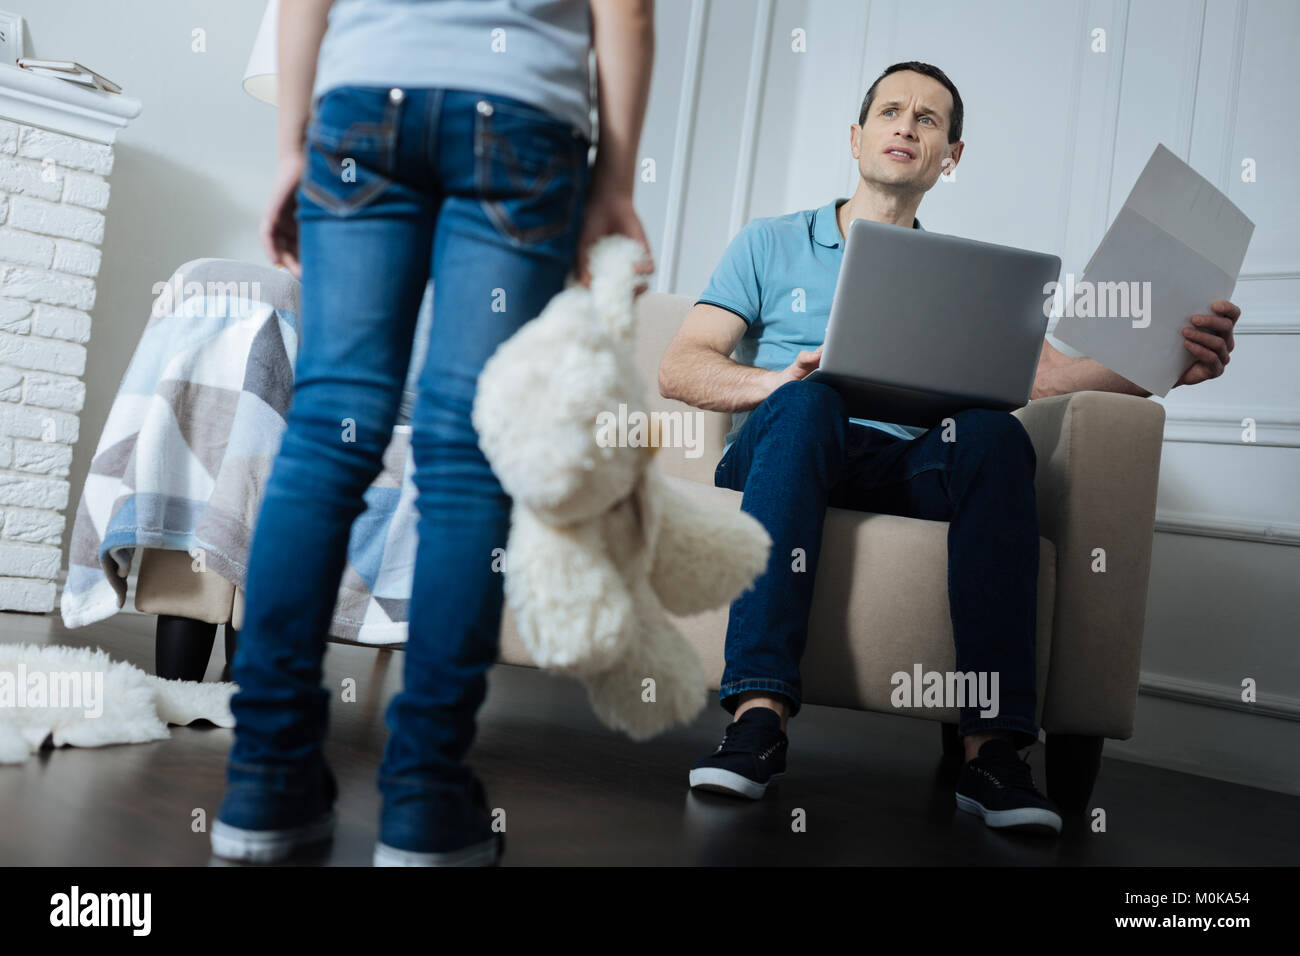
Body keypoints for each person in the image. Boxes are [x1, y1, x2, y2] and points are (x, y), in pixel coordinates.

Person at [659, 61, 1241, 836]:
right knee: (812, 402)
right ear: (858, 136)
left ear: (950, 157)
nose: (906, 125)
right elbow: (680, 365)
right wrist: (777, 385)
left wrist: (1174, 358)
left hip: (903, 467)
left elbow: (1052, 377)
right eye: (892, 111)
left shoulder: (960, 279)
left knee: (994, 434)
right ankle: (757, 719)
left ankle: (992, 750)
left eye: (928, 120)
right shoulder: (769, 243)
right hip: (784, 447)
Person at [212, 0, 654, 866]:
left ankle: (265, 777)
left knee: (327, 431)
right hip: (522, 116)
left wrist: (291, 149)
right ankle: (422, 797)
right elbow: (626, 10)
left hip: (365, 104)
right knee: (465, 455)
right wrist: (616, 181)